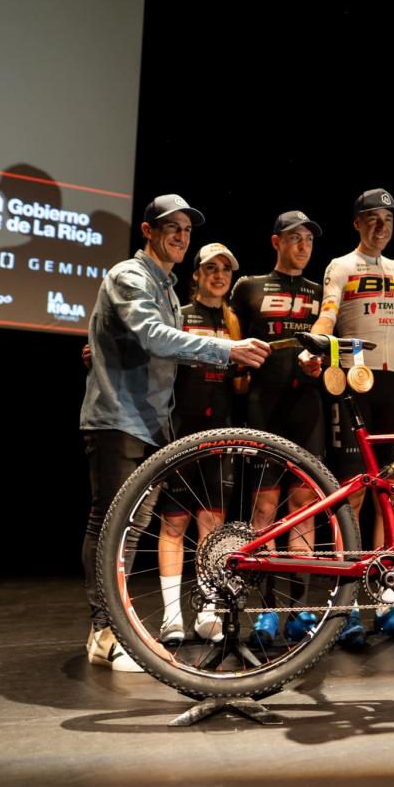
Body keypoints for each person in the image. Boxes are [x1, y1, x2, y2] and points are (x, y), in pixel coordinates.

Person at [80, 194, 270, 671]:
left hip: (150, 424)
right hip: (118, 420)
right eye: (172, 227)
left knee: (129, 528)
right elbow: (152, 336)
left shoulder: (163, 288)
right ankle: (106, 633)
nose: (181, 235)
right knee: (112, 527)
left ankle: (115, 628)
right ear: (148, 231)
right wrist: (225, 350)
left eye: (187, 229)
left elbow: (163, 347)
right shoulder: (130, 275)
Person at [300, 188, 394, 644]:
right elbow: (328, 314)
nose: (381, 227)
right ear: (356, 223)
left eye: (388, 220)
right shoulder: (341, 264)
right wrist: (312, 344)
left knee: (393, 498)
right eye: (372, 219)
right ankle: (346, 606)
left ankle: (388, 601)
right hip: (356, 381)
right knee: (352, 496)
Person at [230, 210, 326, 643]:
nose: (303, 246)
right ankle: (267, 612)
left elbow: (335, 345)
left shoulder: (321, 292)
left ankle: (301, 610)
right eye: (295, 238)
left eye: (308, 239)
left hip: (307, 406)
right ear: (276, 242)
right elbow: (221, 331)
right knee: (265, 510)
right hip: (262, 404)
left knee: (304, 508)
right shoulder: (248, 287)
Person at [157, 242, 246, 645]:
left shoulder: (234, 321)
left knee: (212, 526)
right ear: (196, 274)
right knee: (174, 522)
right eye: (211, 267)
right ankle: (172, 616)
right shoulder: (180, 313)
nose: (220, 275)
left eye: (226, 269)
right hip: (180, 429)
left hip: (221, 432)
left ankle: (208, 609)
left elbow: (241, 383)